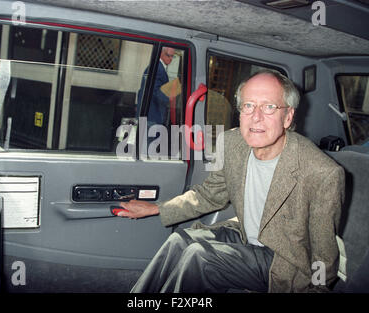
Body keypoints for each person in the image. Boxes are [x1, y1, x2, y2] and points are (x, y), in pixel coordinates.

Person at [119, 69, 345, 293]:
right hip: (245, 235)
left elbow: (323, 252)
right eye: (248, 106)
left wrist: (318, 290)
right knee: (179, 240)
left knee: (199, 257)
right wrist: (156, 208)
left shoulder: (322, 173)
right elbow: (208, 195)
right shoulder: (232, 143)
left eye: (268, 107)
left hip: (283, 259)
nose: (256, 116)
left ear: (288, 117)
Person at [137, 47, 176, 127]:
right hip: (152, 116)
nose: (170, 59)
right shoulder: (158, 69)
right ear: (161, 53)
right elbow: (155, 92)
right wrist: (170, 96)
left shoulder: (155, 67)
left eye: (172, 56)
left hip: (148, 115)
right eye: (168, 55)